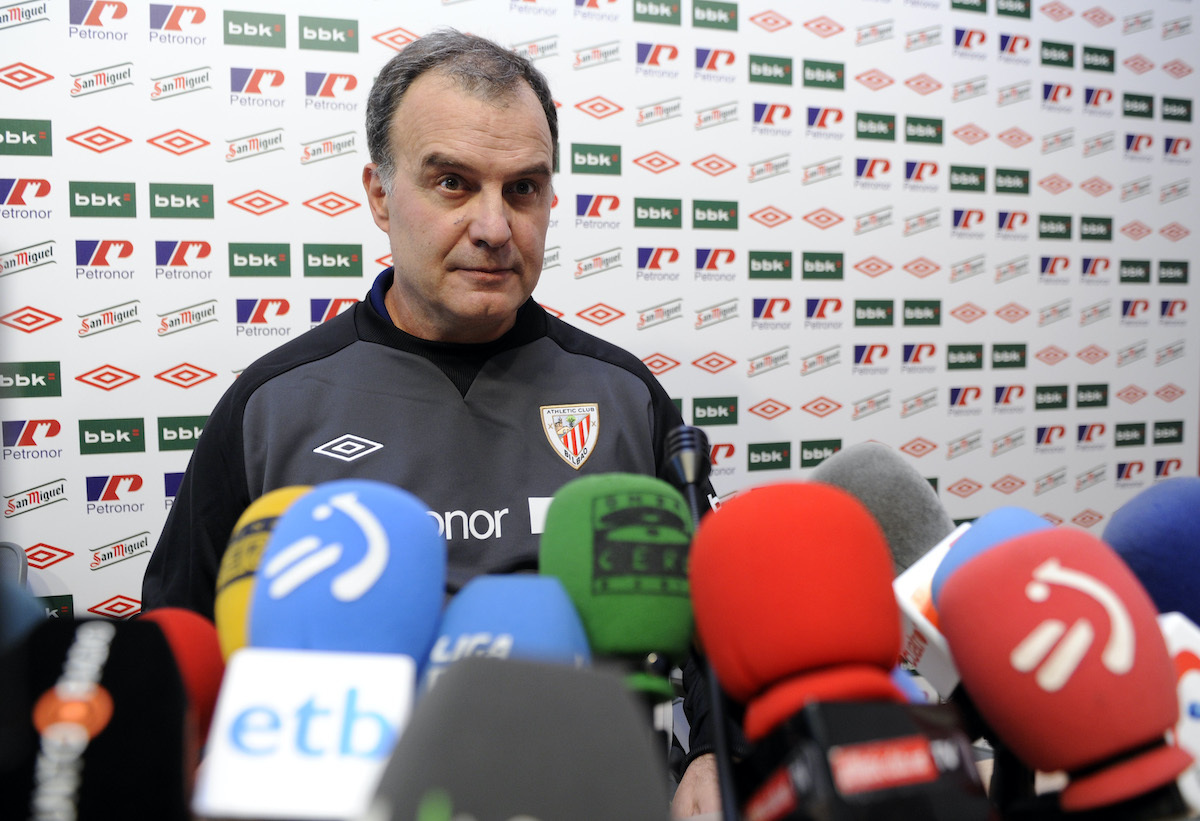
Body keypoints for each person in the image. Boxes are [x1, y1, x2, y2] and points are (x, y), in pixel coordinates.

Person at [141, 29, 721, 816]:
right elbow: (178, 639)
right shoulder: (272, 404)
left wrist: (714, 753)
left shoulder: (626, 395)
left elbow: (715, 627)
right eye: (453, 182)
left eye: (524, 188)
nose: (494, 226)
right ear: (380, 194)